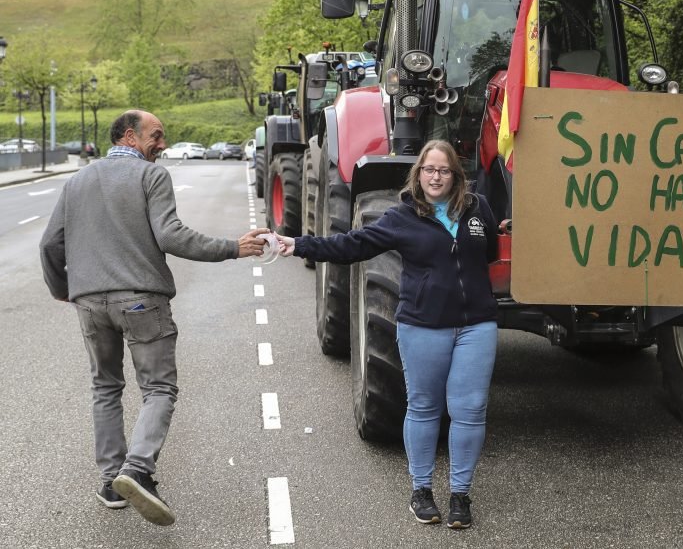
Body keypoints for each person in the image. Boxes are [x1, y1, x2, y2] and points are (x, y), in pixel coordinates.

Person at [39, 110, 268, 526]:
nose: (162, 144)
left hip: (89, 302)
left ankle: (111, 481)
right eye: (156, 136)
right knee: (159, 388)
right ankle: (137, 469)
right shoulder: (150, 177)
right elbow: (171, 236)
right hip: (141, 300)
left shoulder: (77, 181)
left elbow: (50, 245)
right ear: (130, 136)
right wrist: (233, 247)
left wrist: (64, 290)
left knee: (105, 387)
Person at [276, 140, 498, 530]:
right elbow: (352, 245)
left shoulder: (478, 210)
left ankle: (461, 494)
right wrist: (298, 244)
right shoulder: (402, 217)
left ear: (456, 176)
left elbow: (490, 252)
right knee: (425, 407)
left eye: (444, 170)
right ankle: (422, 490)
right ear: (419, 174)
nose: (436, 176)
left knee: (470, 410)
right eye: (429, 169)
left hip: (476, 325)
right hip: (423, 326)